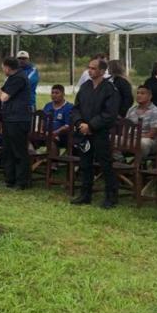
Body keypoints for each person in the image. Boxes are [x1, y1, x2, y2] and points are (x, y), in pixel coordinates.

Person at [70, 57, 120, 208]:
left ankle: (110, 197)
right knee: (85, 163)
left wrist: (91, 125)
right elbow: (76, 108)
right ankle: (85, 195)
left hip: (100, 133)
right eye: (89, 67)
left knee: (105, 165)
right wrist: (79, 123)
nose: (89, 70)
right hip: (83, 133)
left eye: (93, 68)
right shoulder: (85, 86)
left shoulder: (110, 89)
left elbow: (109, 113)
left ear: (102, 71)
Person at [0, 57, 32, 189]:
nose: (2, 70)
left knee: (19, 151)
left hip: (18, 119)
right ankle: (10, 179)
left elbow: (3, 97)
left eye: (3, 67)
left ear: (7, 67)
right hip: (10, 118)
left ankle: (22, 181)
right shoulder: (12, 78)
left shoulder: (19, 78)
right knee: (8, 150)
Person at [125, 85, 157, 159]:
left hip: (148, 140)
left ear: (150, 96)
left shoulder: (155, 111)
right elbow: (125, 126)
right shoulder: (131, 110)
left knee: (142, 143)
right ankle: (120, 161)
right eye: (138, 93)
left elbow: (152, 133)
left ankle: (136, 166)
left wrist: (137, 138)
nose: (139, 95)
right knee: (110, 139)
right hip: (131, 139)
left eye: (142, 93)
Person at [42, 84, 73, 148]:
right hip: (46, 134)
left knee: (52, 142)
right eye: (52, 93)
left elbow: (67, 126)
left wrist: (55, 132)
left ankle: (52, 158)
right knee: (27, 139)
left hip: (62, 136)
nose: (54, 95)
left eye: (57, 93)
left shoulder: (69, 107)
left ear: (63, 94)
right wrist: (41, 131)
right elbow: (42, 120)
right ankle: (34, 157)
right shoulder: (48, 106)